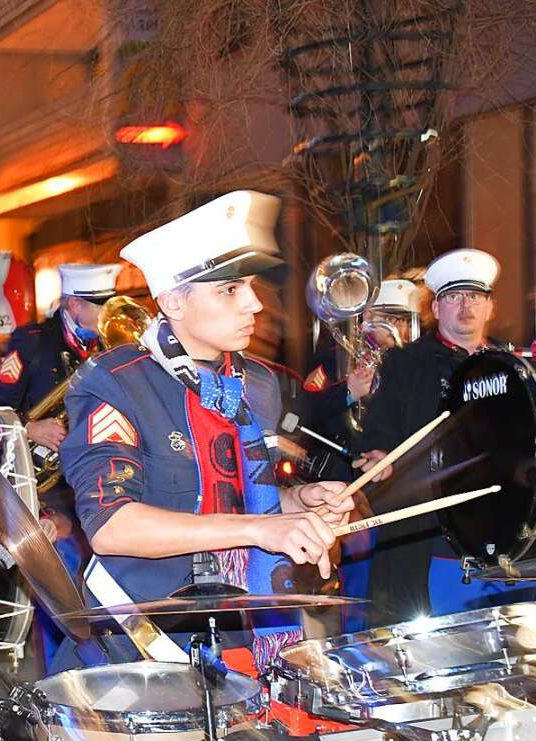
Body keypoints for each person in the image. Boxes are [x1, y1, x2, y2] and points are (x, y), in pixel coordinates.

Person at [58, 191, 354, 672]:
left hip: (247, 633)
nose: (254, 304)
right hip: (145, 648)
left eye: (251, 287)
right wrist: (264, 528)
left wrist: (300, 502)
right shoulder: (117, 381)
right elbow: (111, 526)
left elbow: (240, 492)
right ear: (174, 300)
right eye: (230, 290)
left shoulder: (257, 382)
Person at [359, 249, 535, 624]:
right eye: (453, 297)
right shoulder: (407, 364)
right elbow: (381, 428)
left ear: (489, 307)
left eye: (474, 297)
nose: (465, 306)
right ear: (436, 309)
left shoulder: (513, 368)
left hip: (506, 530)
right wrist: (378, 455)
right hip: (434, 534)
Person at [0, 263, 121, 668]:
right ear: (74, 305)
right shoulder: (31, 344)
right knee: (62, 582)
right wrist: (28, 426)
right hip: (48, 488)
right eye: (100, 306)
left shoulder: (110, 346)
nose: (109, 315)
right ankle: (64, 678)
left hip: (100, 479)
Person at [299, 279, 420, 630]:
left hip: (402, 487)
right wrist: (348, 392)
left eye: (401, 319)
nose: (392, 327)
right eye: (385, 316)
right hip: (349, 486)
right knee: (357, 579)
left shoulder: (418, 367)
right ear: (367, 316)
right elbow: (301, 413)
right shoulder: (331, 362)